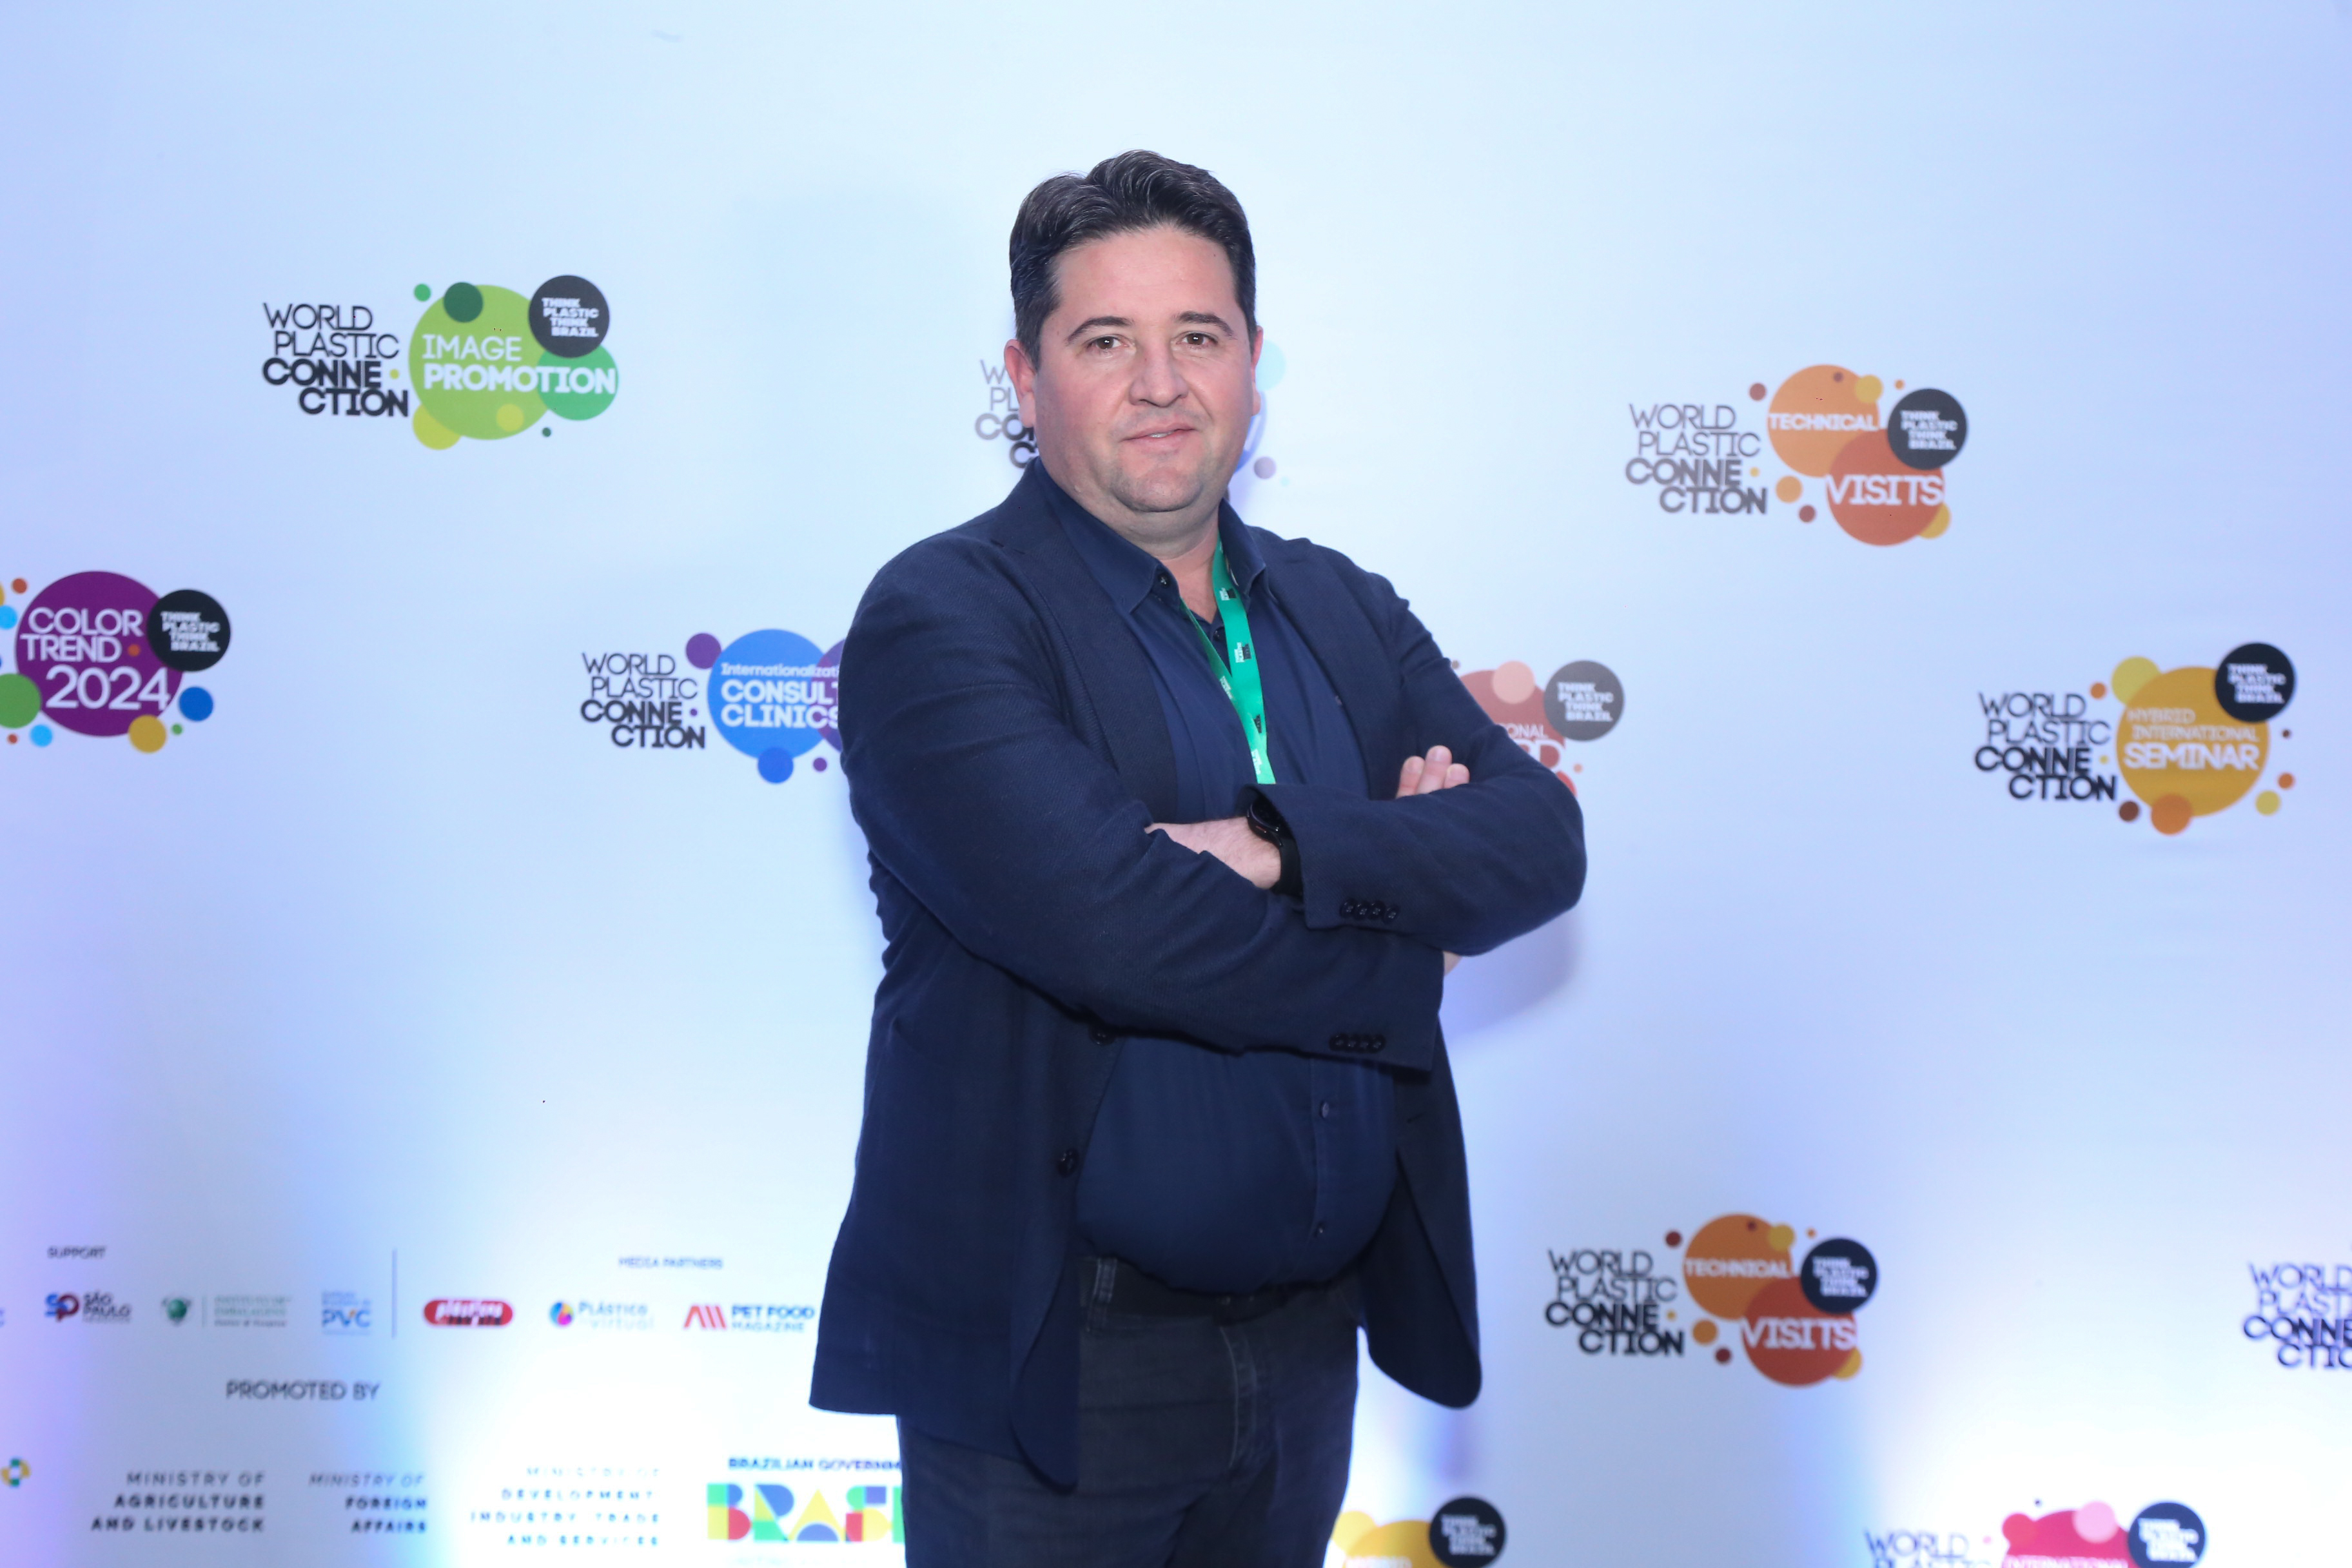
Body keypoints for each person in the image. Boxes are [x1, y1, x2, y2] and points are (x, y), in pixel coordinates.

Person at [811, 150, 1585, 1568]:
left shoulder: (1339, 605)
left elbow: (1540, 839)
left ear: (1252, 362)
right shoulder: (945, 616)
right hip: (1061, 1369)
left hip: (1307, 1351)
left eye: (1199, 336)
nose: (1161, 382)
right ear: (1025, 376)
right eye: (1106, 341)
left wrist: (1279, 847)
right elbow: (1121, 932)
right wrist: (1405, 920)